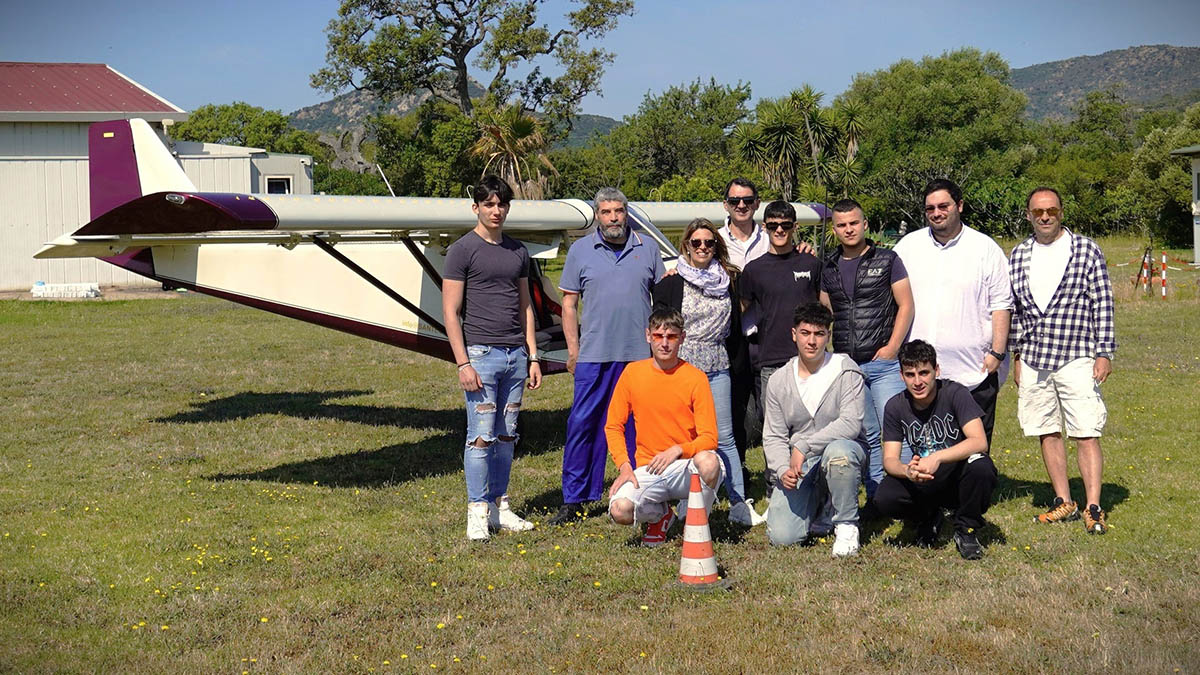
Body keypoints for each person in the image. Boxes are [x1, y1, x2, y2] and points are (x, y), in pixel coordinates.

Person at [551, 187, 666, 525]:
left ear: (626, 213)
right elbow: (569, 305)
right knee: (583, 426)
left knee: (636, 427)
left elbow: (661, 301)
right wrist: (573, 351)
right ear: (597, 216)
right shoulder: (581, 250)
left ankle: (635, 492)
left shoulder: (647, 248)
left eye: (619, 211)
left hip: (638, 356)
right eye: (606, 212)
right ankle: (575, 498)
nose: (613, 217)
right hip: (594, 354)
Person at [1009, 187, 1117, 534]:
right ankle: (1063, 501)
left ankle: (1094, 506)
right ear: (1028, 214)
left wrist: (1104, 352)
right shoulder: (1019, 254)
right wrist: (1016, 355)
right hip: (1035, 356)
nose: (1045, 217)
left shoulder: (1085, 250)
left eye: (1051, 211)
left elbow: (1102, 302)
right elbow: (1015, 312)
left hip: (1077, 354)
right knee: (1046, 430)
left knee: (1086, 431)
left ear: (1061, 213)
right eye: (1038, 211)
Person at [441, 176, 542, 541]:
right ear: (476, 208)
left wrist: (532, 355)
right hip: (481, 354)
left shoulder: (517, 251)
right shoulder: (462, 250)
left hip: (516, 354)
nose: (496, 211)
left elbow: (525, 304)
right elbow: (451, 311)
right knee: (480, 436)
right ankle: (477, 511)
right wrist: (463, 362)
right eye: (489, 205)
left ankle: (501, 506)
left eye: (501, 205)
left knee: (507, 434)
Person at [652, 218, 764, 526]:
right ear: (686, 245)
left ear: (717, 246)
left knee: (724, 436)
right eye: (696, 243)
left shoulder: (730, 279)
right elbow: (659, 325)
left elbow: (763, 285)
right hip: (682, 367)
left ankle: (740, 504)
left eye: (709, 242)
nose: (703, 248)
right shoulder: (672, 282)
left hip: (718, 365)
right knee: (686, 437)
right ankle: (686, 505)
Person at [892, 178, 1013, 446]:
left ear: (959, 205)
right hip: (920, 373)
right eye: (930, 208)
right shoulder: (908, 247)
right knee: (925, 449)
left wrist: (997, 352)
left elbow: (1002, 303)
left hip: (972, 371)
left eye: (943, 206)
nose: (936, 213)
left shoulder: (985, 248)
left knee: (974, 451)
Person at [819, 198, 914, 500]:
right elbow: (826, 313)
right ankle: (876, 496)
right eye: (842, 225)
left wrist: (892, 348)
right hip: (850, 366)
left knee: (897, 431)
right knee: (868, 435)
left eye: (854, 223)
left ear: (865, 224)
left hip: (884, 364)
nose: (849, 229)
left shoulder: (887, 259)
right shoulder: (829, 267)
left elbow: (906, 305)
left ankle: (911, 494)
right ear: (834, 229)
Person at [605, 308, 723, 547]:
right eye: (659, 336)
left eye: (672, 337)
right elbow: (613, 426)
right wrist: (625, 467)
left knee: (709, 463)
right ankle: (661, 515)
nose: (665, 343)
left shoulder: (696, 378)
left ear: (683, 337)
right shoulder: (632, 373)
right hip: (649, 468)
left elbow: (710, 438)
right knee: (620, 510)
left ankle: (695, 524)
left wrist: (678, 449)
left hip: (684, 465)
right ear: (648, 336)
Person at [874, 340, 998, 560]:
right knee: (885, 497)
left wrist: (938, 457)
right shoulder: (895, 406)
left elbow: (979, 441)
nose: (918, 381)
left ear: (936, 371)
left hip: (958, 475)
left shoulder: (955, 393)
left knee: (982, 466)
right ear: (901, 376)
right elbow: (890, 460)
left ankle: (967, 529)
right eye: (910, 375)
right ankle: (928, 517)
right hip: (924, 478)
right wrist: (907, 471)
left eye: (924, 373)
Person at [761, 303, 868, 556]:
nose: (812, 341)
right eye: (806, 333)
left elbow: (851, 423)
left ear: (828, 337)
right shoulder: (779, 381)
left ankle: (846, 524)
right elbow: (774, 435)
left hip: (842, 453)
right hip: (802, 466)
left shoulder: (845, 369)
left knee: (839, 451)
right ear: (794, 334)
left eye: (819, 334)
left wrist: (804, 445)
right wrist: (782, 468)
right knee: (783, 536)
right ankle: (820, 503)